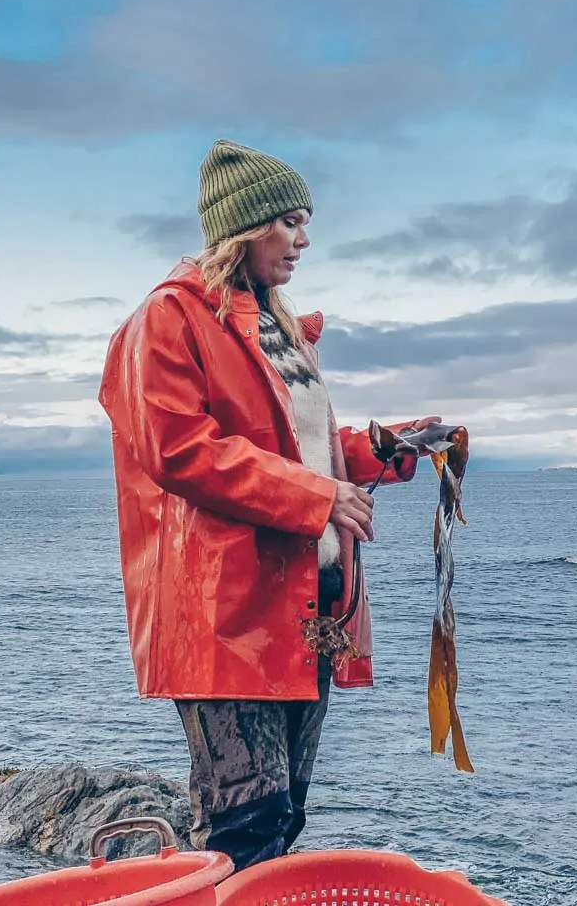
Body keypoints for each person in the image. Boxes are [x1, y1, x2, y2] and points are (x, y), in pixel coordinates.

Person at [98, 140, 439, 871]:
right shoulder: (168, 319)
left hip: (312, 606)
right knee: (244, 824)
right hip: (226, 610)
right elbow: (179, 448)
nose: (304, 240)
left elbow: (299, 446)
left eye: (305, 221)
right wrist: (319, 497)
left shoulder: (277, 327)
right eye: (289, 222)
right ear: (244, 228)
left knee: (283, 819)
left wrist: (390, 446)